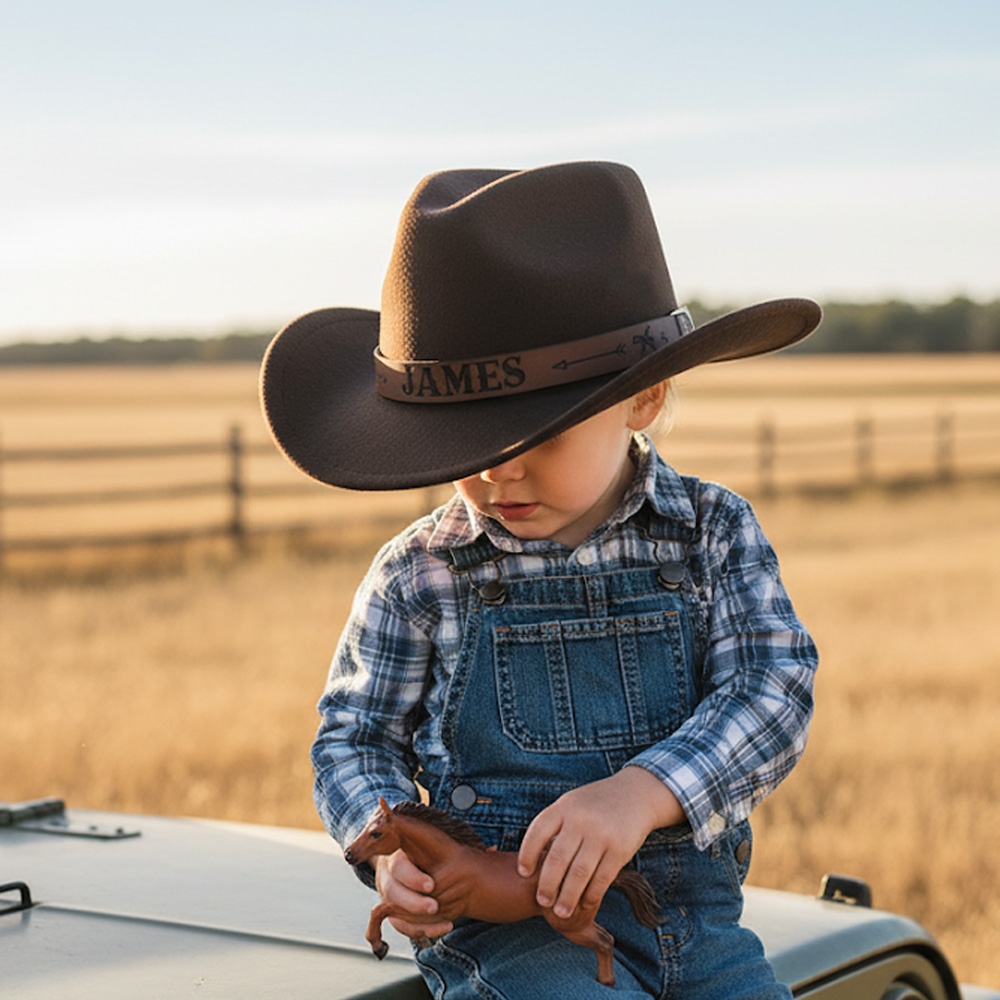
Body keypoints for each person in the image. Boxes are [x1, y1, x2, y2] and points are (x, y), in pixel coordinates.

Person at [261, 161, 821, 999]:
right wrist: (388, 853)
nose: (500, 477)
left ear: (643, 398)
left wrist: (643, 792)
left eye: (542, 439)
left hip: (699, 927)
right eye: (470, 452)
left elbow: (772, 690)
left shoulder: (712, 531)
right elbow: (354, 738)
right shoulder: (420, 573)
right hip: (509, 939)